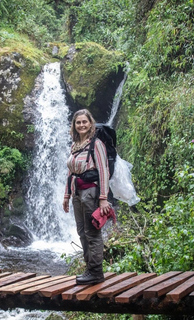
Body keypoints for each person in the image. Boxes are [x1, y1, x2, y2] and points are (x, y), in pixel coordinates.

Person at [63, 109, 112, 285]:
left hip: (91, 193)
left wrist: (103, 197)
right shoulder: (75, 145)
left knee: (92, 233)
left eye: (85, 122)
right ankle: (89, 269)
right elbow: (70, 172)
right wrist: (66, 195)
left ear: (90, 123)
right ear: (74, 126)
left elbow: (104, 170)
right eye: (78, 122)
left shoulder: (96, 144)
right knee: (82, 232)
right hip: (77, 193)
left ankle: (96, 272)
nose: (82, 125)